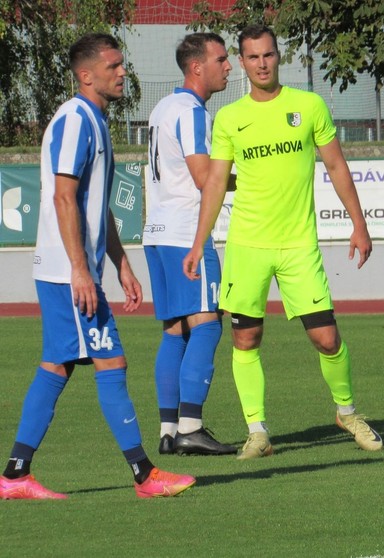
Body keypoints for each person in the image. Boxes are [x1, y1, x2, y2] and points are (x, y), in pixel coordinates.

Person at [0, 33, 195, 500]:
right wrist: (80, 271)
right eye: (113, 66)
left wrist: (121, 264)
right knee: (112, 361)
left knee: (58, 366)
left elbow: (95, 206)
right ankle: (145, 475)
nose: (122, 72)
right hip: (67, 274)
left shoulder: (95, 120)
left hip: (70, 271)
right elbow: (63, 196)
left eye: (121, 64)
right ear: (86, 75)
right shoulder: (73, 121)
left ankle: (15, 475)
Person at [182, 24, 381, 459]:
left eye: (268, 55)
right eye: (253, 57)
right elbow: (216, 181)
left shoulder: (308, 106)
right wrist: (199, 242)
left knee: (327, 339)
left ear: (279, 56)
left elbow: (337, 167)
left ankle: (347, 412)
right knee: (246, 340)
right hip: (248, 247)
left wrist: (359, 224)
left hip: (298, 246)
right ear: (242, 63)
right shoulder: (231, 118)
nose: (262, 63)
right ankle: (257, 431)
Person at [143, 33, 237, 456]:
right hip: (186, 234)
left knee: (175, 332)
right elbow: (206, 180)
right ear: (196, 67)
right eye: (222, 59)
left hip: (156, 232)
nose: (229, 67)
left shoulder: (162, 108)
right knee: (208, 324)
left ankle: (168, 430)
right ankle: (191, 427)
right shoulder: (194, 113)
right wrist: (255, 178)